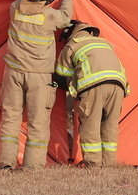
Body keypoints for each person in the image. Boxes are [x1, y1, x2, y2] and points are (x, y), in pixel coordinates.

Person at [0, 0, 72, 170]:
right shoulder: (49, 15)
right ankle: (33, 166)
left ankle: (5, 163)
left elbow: (31, 2)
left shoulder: (14, 8)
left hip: (13, 73)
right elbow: (65, 18)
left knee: (10, 119)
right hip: (39, 76)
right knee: (38, 122)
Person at [55, 21, 129, 167]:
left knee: (90, 125)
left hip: (93, 85)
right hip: (119, 85)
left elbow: (62, 77)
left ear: (69, 34)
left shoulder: (72, 45)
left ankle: (93, 164)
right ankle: (108, 163)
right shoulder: (105, 43)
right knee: (110, 126)